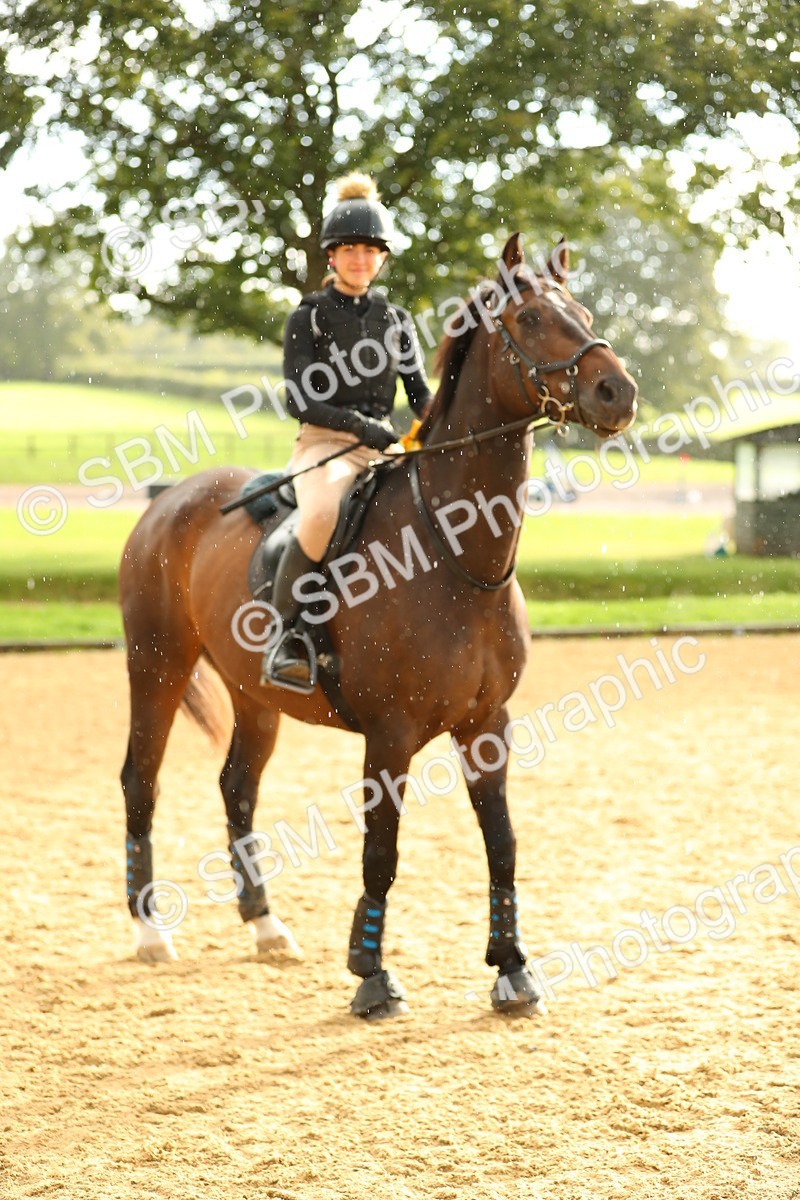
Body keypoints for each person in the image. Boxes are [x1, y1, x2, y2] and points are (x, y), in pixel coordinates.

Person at [262, 172, 434, 691]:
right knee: (319, 515)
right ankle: (285, 639)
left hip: (385, 450)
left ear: (383, 258)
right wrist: (361, 425)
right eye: (349, 249)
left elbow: (420, 394)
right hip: (325, 445)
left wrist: (445, 422)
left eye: (370, 250)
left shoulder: (398, 320)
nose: (360, 259)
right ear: (332, 256)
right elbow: (299, 398)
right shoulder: (307, 317)